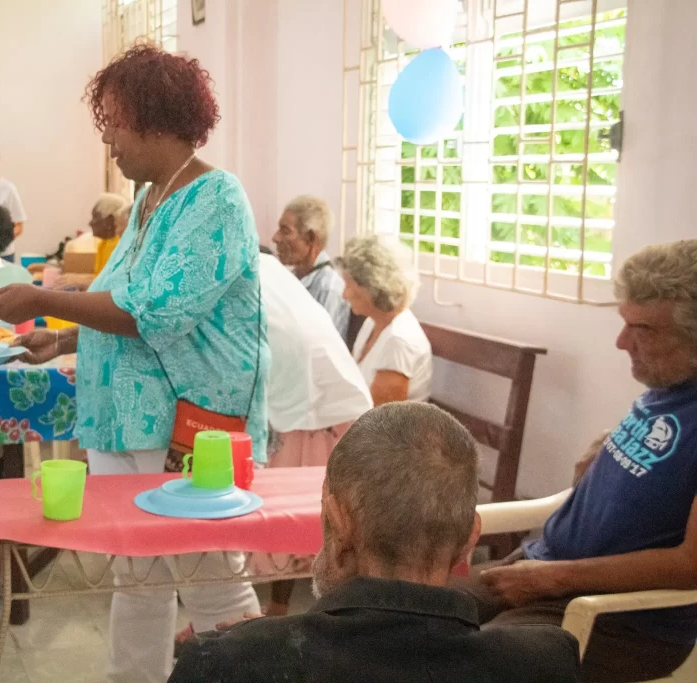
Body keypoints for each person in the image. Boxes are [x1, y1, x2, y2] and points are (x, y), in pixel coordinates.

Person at [0, 44, 267, 683]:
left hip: (188, 422)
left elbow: (158, 310)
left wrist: (41, 299)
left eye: (115, 124)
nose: (108, 141)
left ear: (157, 122)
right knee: (136, 574)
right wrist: (62, 340)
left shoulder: (215, 198)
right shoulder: (150, 199)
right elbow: (121, 297)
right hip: (125, 419)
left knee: (211, 578)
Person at [170, 403, 581, 683]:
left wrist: (256, 644)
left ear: (338, 521)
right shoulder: (544, 660)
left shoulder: (223, 661)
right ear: (470, 538)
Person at [457, 239, 697, 683]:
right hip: (546, 564)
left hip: (621, 620)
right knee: (399, 619)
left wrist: (553, 579)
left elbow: (691, 565)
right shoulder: (670, 385)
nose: (621, 342)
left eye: (642, 329)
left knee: (458, 664)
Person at [258, 251, 373, 617]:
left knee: (305, 521)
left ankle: (308, 612)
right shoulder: (274, 276)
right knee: (310, 522)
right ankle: (282, 608)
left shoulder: (252, 278)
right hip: (320, 405)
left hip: (316, 412)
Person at [338, 235, 432, 405]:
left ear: (373, 287)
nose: (344, 294)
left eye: (349, 285)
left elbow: (380, 418)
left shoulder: (399, 342)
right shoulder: (372, 323)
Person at [272, 195, 350, 341]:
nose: (275, 238)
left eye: (285, 231)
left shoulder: (328, 288)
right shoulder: (290, 277)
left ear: (311, 238)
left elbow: (324, 346)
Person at [56, 193, 132, 290]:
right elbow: (100, 277)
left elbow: (110, 285)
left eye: (95, 217)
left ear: (109, 220)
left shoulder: (119, 246)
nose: (90, 223)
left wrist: (79, 280)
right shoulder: (103, 244)